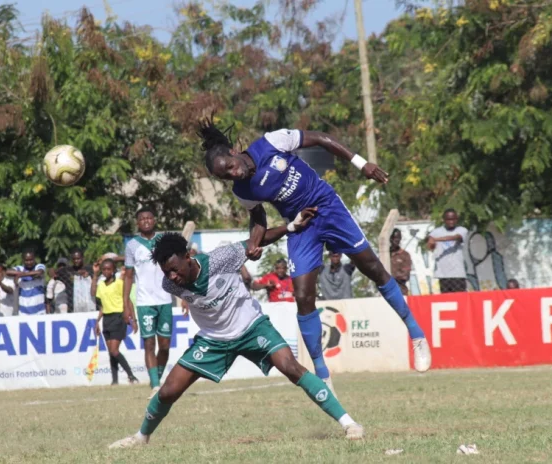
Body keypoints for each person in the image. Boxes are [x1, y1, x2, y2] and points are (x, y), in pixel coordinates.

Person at [197, 119, 430, 391]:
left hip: (328, 207)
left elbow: (319, 138)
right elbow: (258, 217)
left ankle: (416, 333)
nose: (232, 175)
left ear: (234, 152)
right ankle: (322, 372)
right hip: (301, 226)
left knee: (372, 268)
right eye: (224, 177)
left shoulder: (271, 143)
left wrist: (361, 163)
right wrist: (254, 243)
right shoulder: (242, 190)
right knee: (303, 296)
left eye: (230, 167)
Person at [108, 226, 364, 449]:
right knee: (167, 392)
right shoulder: (171, 285)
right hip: (213, 340)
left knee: (292, 368)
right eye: (167, 272)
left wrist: (291, 226)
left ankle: (349, 424)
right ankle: (141, 438)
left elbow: (258, 241)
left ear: (188, 257)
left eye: (175, 269)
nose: (172, 276)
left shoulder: (222, 258)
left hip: (252, 327)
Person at [124, 207, 173, 397]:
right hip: (144, 302)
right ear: (138, 223)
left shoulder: (163, 241)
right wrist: (126, 303)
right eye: (142, 218)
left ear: (154, 220)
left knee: (165, 345)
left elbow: (175, 268)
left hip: (165, 299)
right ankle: (155, 385)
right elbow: (128, 276)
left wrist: (183, 296)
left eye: (149, 218)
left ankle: (158, 380)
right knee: (149, 344)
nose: (146, 221)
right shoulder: (132, 246)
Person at [92, 258, 139, 386]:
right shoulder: (101, 285)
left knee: (114, 350)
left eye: (109, 269)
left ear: (113, 270)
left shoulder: (119, 283)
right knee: (111, 353)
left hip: (118, 317)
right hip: (106, 319)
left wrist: (133, 319)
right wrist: (97, 321)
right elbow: (99, 303)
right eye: (104, 269)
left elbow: (128, 301)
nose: (106, 271)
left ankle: (131, 375)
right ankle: (115, 380)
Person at [427, 209, 469, 293]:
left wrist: (436, 239)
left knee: (461, 300)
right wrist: (431, 243)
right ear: (443, 220)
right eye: (449, 219)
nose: (451, 222)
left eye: (453, 219)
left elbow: (456, 237)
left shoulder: (462, 230)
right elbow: (430, 247)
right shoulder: (436, 232)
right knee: (446, 301)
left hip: (458, 274)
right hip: (443, 274)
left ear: (457, 219)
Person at [55, 248, 95, 313]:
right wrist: (76, 274)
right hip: (73, 304)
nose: (76, 261)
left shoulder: (90, 269)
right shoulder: (67, 270)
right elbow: (54, 272)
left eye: (78, 259)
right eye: (74, 259)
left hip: (89, 302)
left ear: (82, 258)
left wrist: (87, 274)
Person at [8, 250, 46, 315]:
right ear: (23, 260)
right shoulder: (20, 268)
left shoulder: (39, 266)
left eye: (31, 260)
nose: (29, 262)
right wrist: (26, 273)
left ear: (34, 259)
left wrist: (20, 275)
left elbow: (39, 272)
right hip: (23, 312)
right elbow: (8, 272)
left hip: (39, 312)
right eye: (26, 260)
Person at [390, 229, 412, 296]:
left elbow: (405, 275)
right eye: (394, 238)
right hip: (387, 290)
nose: (396, 240)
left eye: (398, 238)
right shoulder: (385, 254)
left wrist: (391, 276)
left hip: (400, 290)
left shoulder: (405, 255)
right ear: (390, 239)